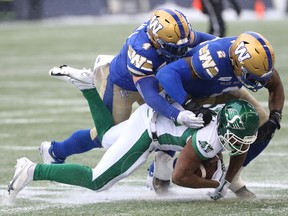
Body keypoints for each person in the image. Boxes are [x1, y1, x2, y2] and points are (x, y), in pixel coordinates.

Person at [6, 78, 260, 202]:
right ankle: (32, 170)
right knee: (98, 181)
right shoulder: (207, 139)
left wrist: (225, 180)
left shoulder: (226, 123)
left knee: (105, 138)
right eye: (237, 137)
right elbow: (180, 176)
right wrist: (212, 185)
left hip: (156, 121)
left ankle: (87, 88)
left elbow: (240, 149)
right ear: (225, 125)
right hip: (146, 132)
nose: (240, 143)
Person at [39, 8, 216, 164]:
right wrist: (177, 114)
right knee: (106, 136)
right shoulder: (141, 50)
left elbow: (202, 39)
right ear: (156, 39)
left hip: (153, 78)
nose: (180, 51)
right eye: (173, 47)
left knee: (164, 126)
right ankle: (55, 151)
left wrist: (224, 44)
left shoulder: (175, 34)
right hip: (123, 87)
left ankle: (159, 173)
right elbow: (149, 95)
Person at [149, 31, 284, 198]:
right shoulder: (212, 61)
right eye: (251, 75)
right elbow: (166, 74)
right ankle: (162, 168)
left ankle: (233, 178)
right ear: (236, 63)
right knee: (203, 144)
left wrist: (275, 116)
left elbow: (275, 84)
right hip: (188, 92)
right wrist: (189, 104)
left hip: (221, 87)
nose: (257, 82)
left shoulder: (252, 61)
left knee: (261, 121)